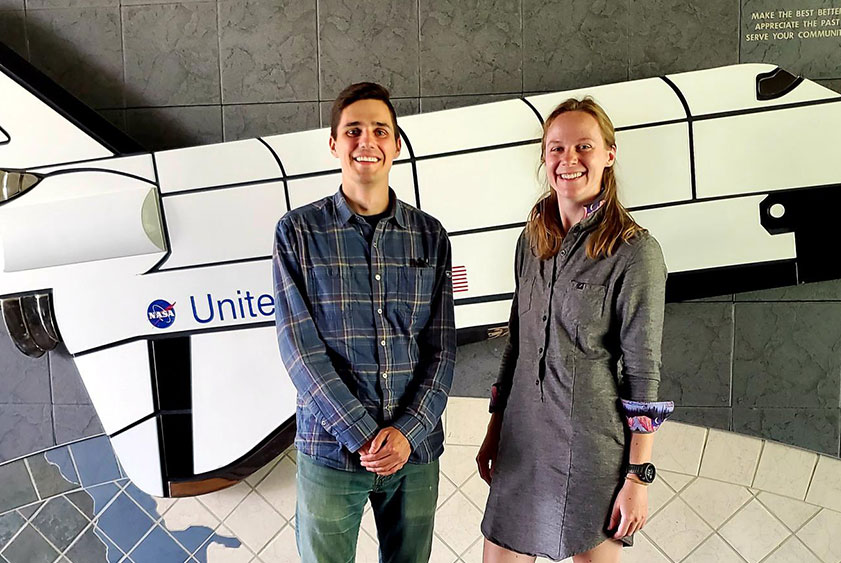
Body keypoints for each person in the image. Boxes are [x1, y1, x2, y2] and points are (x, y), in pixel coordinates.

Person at [477, 98, 673, 563]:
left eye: (583, 146)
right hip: (522, 442)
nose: (569, 159)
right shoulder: (531, 241)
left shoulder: (635, 251)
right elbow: (518, 346)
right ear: (544, 158)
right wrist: (494, 429)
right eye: (556, 148)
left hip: (592, 450)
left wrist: (638, 476)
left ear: (608, 154)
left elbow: (643, 374)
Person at [273, 82, 455, 563]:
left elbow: (441, 351)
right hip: (332, 450)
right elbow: (300, 351)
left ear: (396, 144)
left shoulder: (430, 236)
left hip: (413, 454)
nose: (366, 141)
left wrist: (408, 432)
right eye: (353, 130)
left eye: (380, 130)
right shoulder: (297, 233)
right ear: (334, 143)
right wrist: (362, 436)